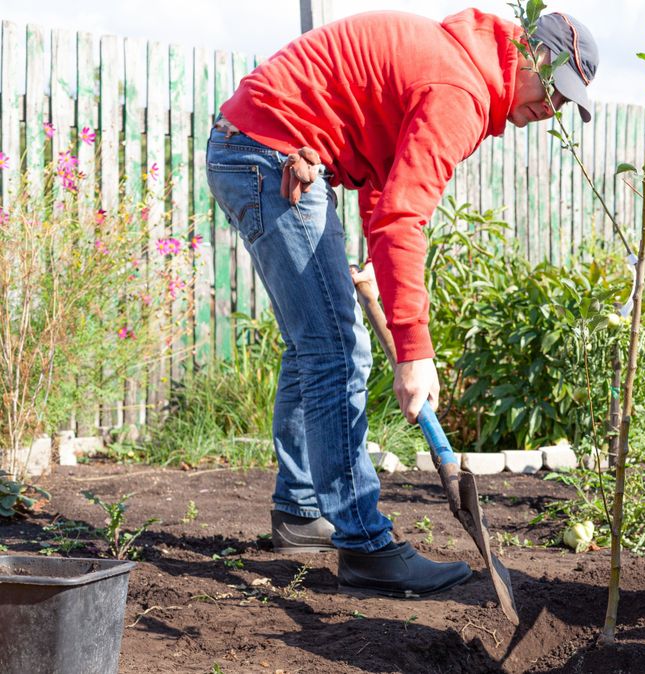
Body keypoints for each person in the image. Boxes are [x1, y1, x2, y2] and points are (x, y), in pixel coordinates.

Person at [205, 8, 598, 597]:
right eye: (554, 91)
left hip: (265, 147)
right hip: (272, 154)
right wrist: (414, 353)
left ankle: (298, 510)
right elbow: (403, 217)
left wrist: (372, 263)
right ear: (532, 56)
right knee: (337, 349)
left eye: (566, 104)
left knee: (315, 341)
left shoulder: (458, 64)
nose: (552, 110)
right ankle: (364, 546)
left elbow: (384, 180)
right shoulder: (459, 90)